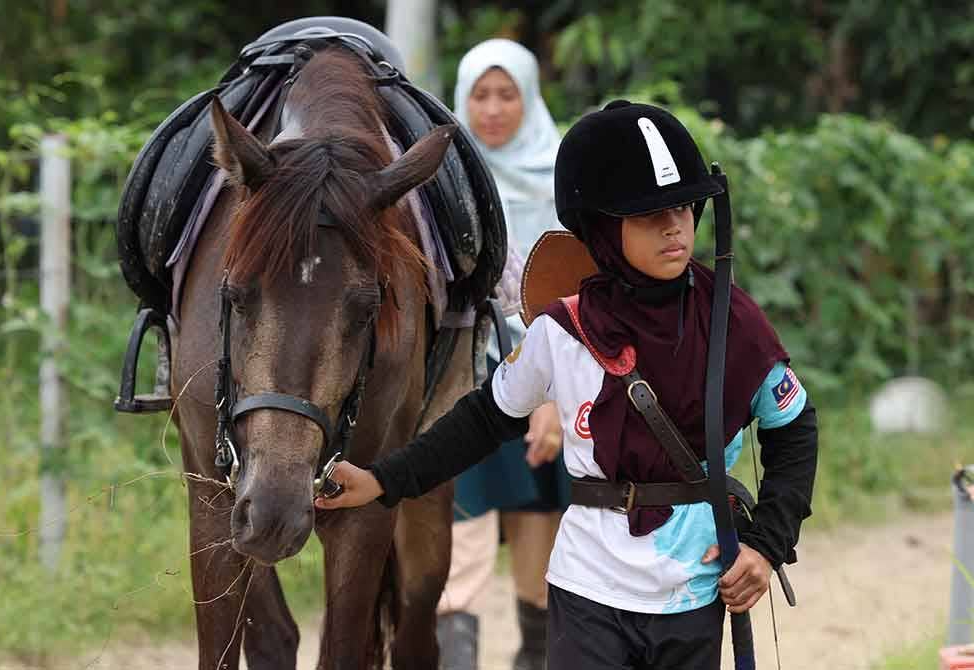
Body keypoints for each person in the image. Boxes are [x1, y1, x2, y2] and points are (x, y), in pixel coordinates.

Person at [316, 100, 819, 669]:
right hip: (587, 593)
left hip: (696, 590)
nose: (674, 225)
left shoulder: (735, 320)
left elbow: (794, 426)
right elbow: (484, 419)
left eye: (683, 206)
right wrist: (384, 480)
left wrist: (767, 542)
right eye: (648, 213)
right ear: (603, 228)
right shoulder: (563, 331)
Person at [435, 38, 568, 670]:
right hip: (466, 366)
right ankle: (455, 657)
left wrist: (557, 396)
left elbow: (582, 288)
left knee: (536, 508)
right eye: (479, 95)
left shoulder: (564, 175)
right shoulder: (444, 177)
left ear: (529, 97)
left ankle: (533, 657)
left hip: (556, 368)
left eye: (506, 93)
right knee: (463, 511)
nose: (491, 109)